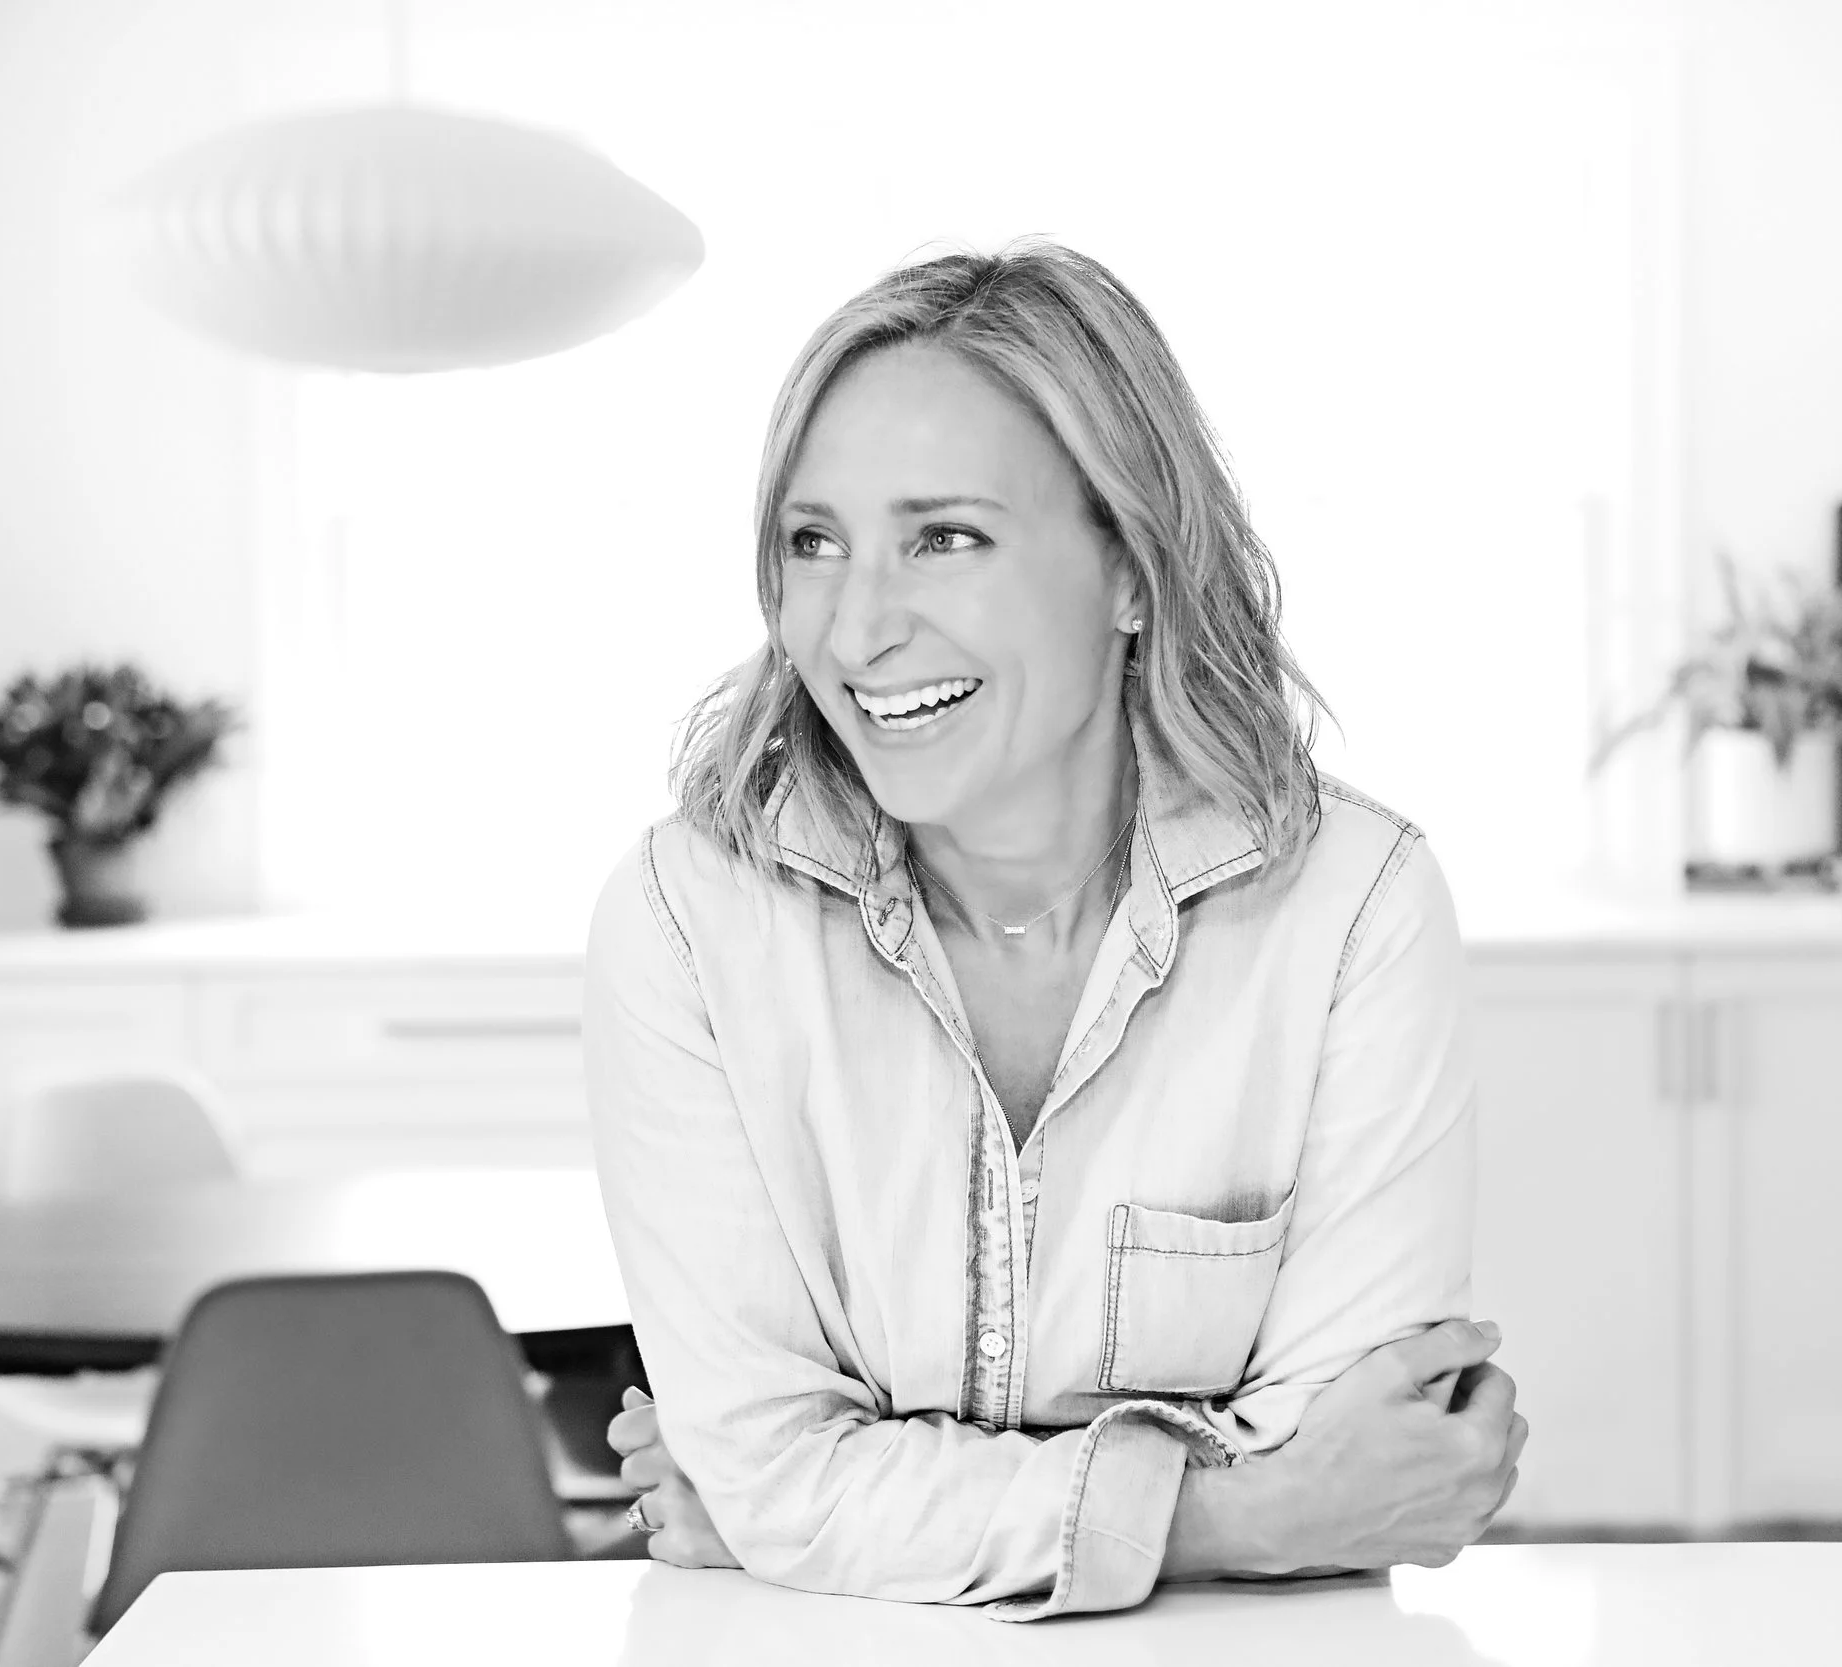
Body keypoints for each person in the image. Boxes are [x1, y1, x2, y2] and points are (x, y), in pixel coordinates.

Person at [582, 236, 1528, 1623]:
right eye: (813, 542)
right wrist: (1247, 1508)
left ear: (1132, 567)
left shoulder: (1354, 909)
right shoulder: (687, 922)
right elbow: (778, 1474)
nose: (855, 629)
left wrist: (830, 1508)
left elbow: (1369, 1453)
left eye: (944, 538)